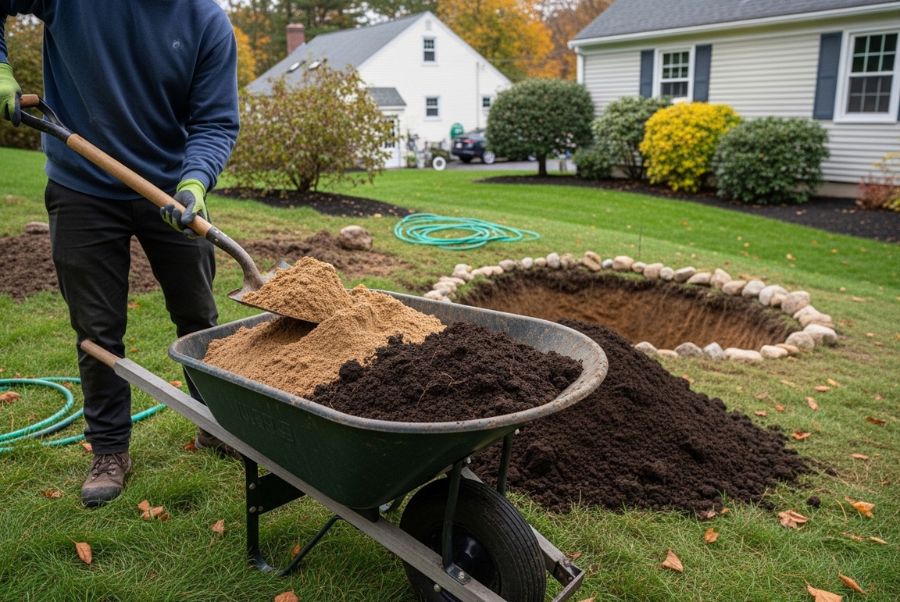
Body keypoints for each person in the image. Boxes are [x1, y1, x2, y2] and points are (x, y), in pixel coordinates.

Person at [0, 1, 241, 507]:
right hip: (81, 185)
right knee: (97, 331)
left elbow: (215, 121)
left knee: (199, 318)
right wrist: (0, 67)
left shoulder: (206, 21)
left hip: (171, 191)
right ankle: (109, 449)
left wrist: (196, 181)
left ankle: (216, 424)